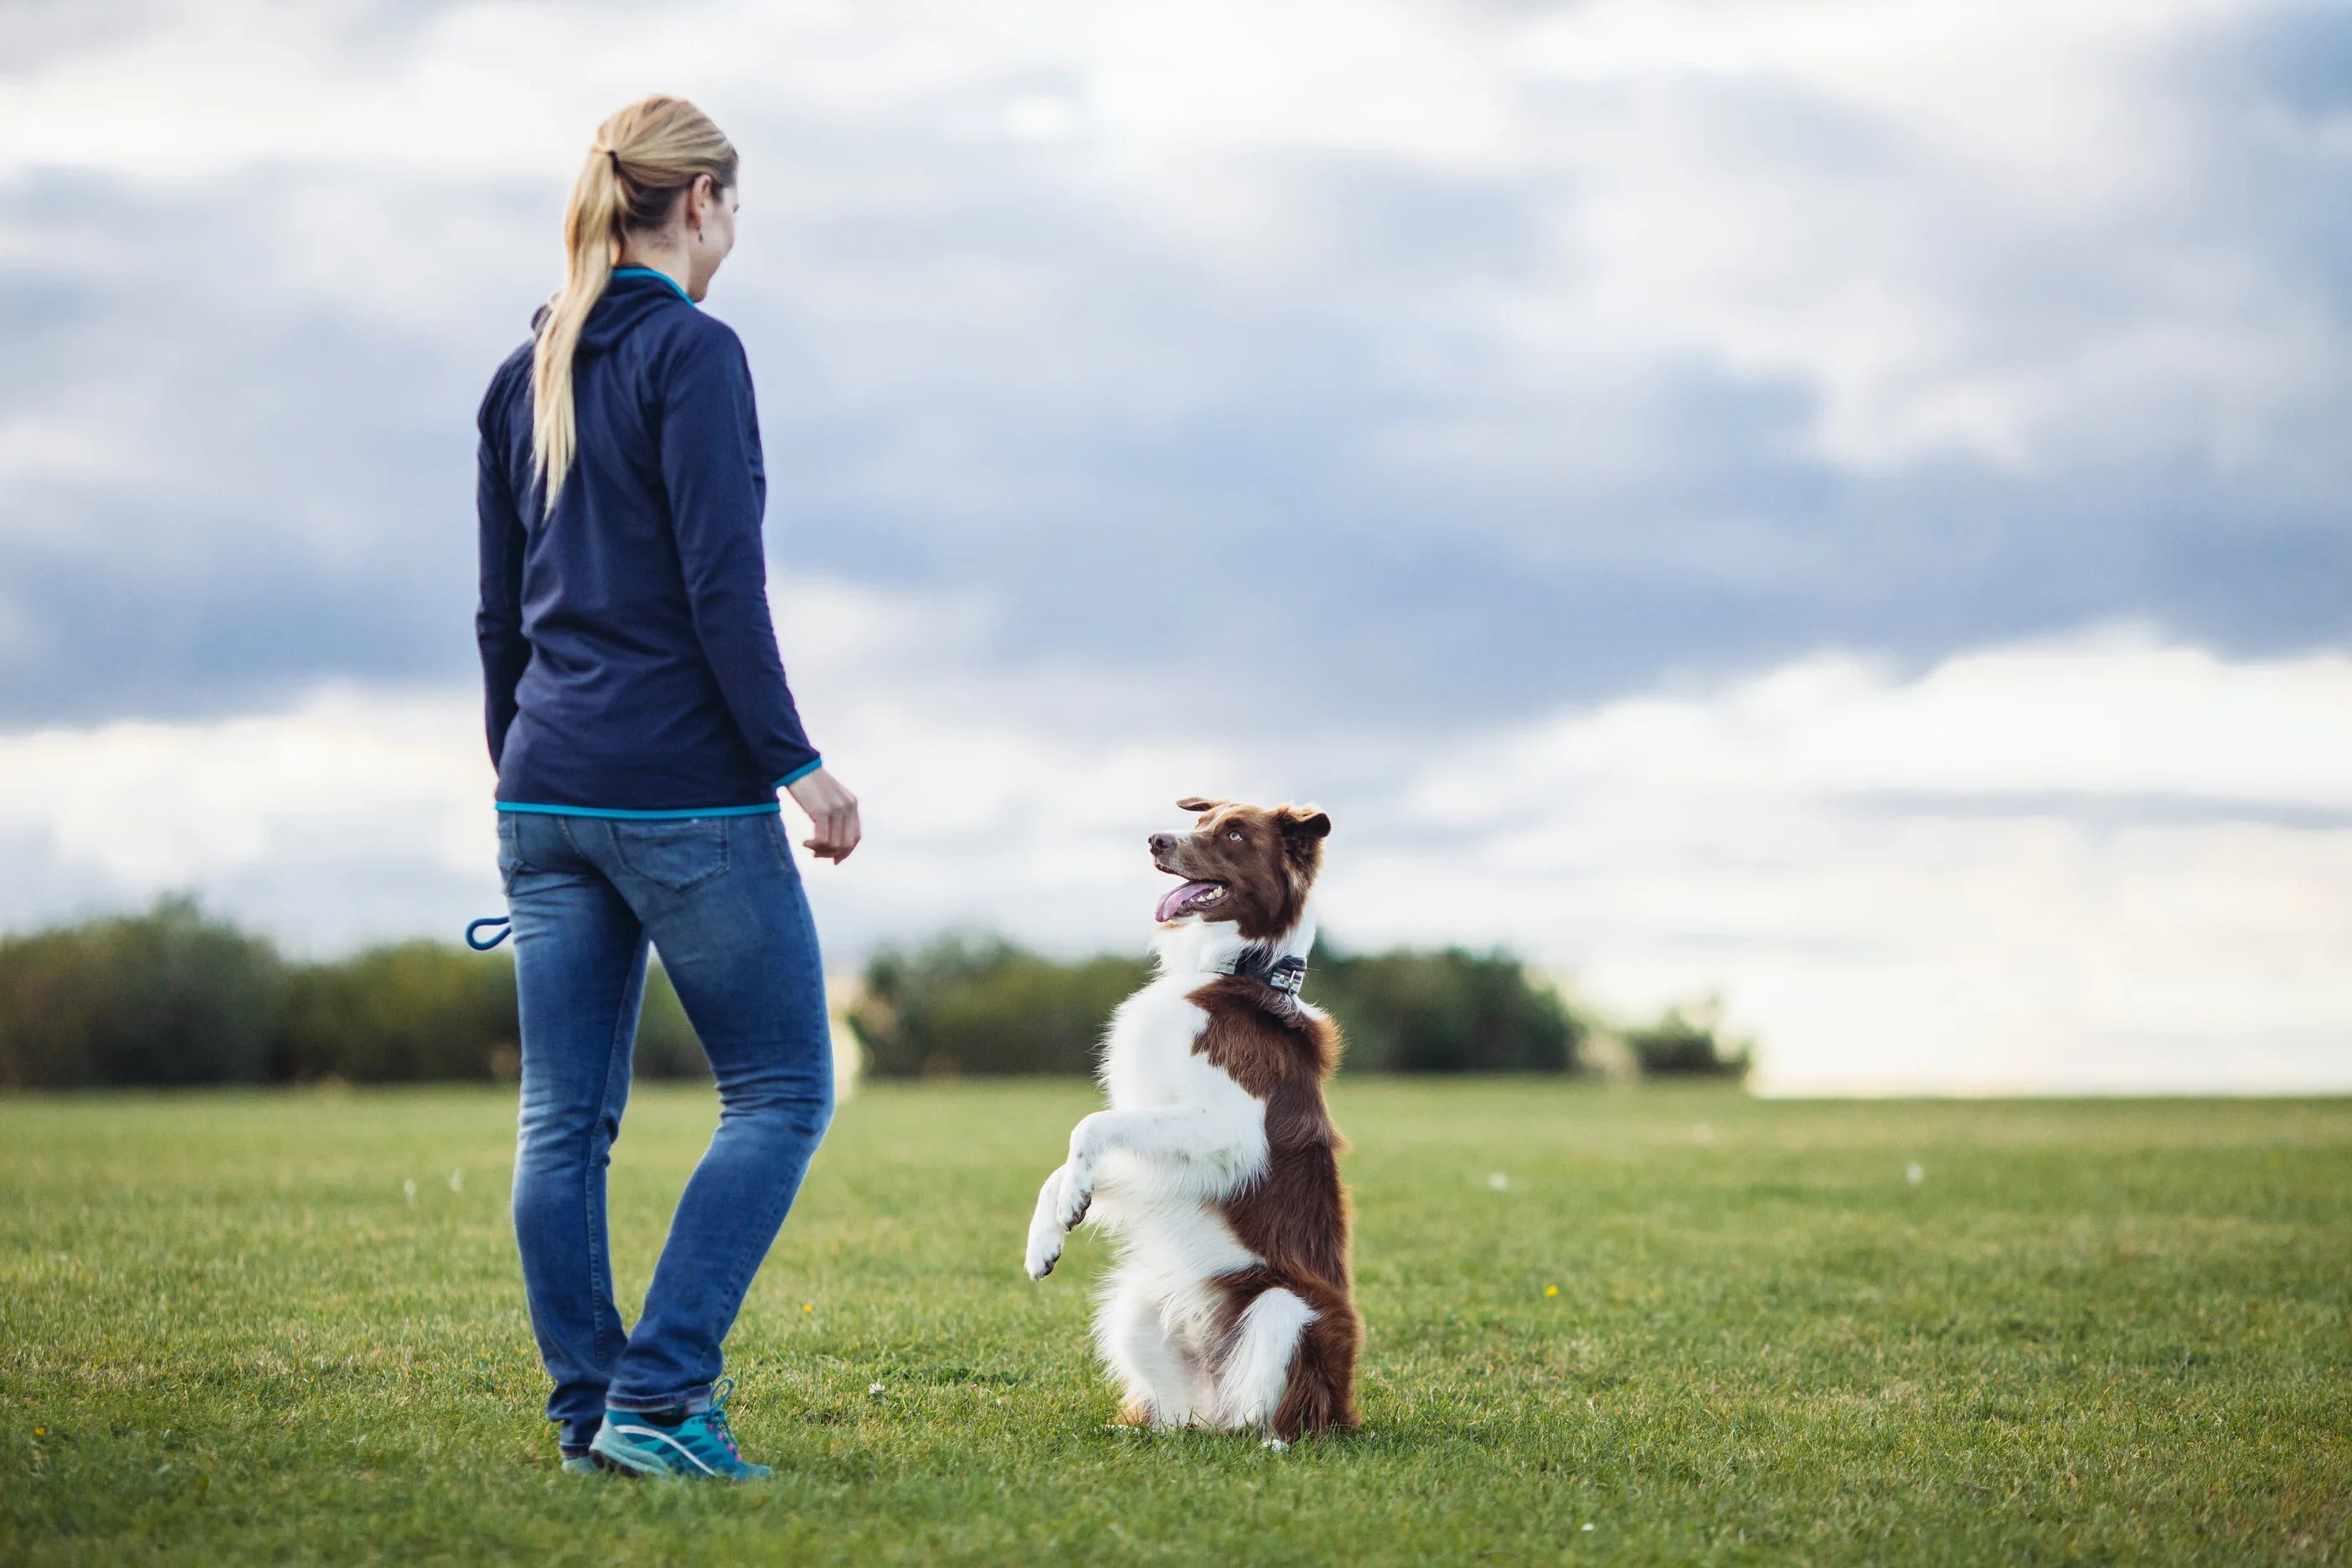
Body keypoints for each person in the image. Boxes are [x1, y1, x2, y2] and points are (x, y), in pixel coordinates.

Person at [474, 95, 859, 1482]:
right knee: (780, 1092)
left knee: (561, 1125)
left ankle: (594, 1417)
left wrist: (524, 790)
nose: (736, 230)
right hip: (682, 793)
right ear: (699, 205)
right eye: (736, 206)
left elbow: (498, 623)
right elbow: (721, 582)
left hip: (545, 789)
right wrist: (795, 764)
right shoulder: (695, 356)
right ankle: (659, 1398)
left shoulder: (523, 374)